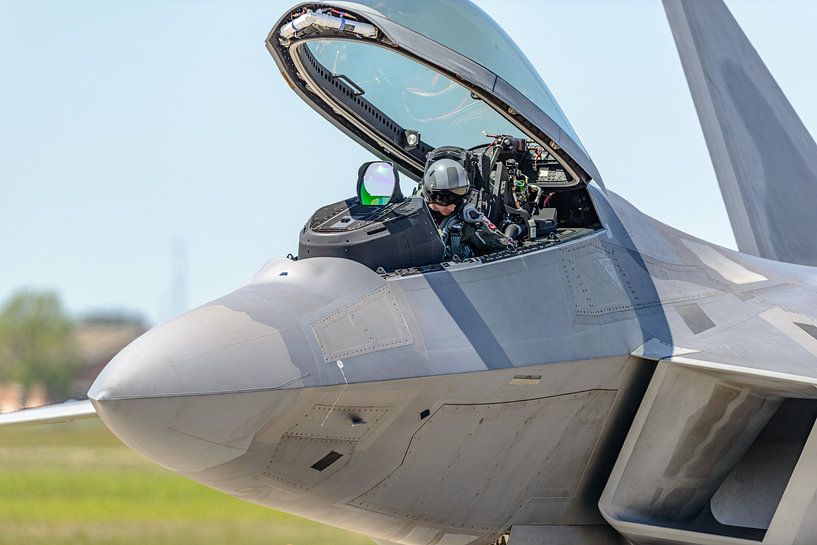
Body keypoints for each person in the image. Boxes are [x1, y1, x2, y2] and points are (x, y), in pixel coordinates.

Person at [422, 157, 514, 260]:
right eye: (445, 199)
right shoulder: (416, 216)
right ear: (431, 195)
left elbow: (503, 247)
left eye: (457, 199)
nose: (452, 207)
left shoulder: (468, 220)